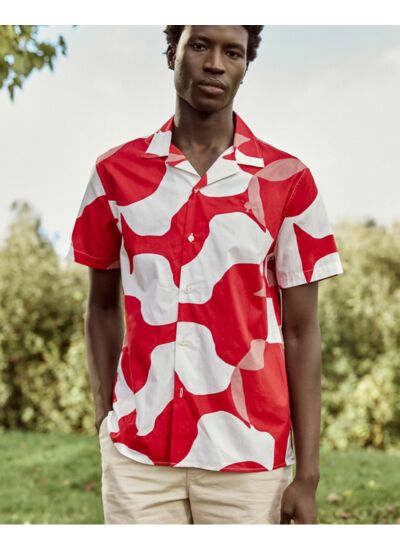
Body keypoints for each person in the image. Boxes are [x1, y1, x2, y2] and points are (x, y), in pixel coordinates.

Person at [66, 25, 344, 524]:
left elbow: (302, 332)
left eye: (232, 52)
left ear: (244, 67)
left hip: (250, 459)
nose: (215, 63)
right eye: (199, 45)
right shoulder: (114, 173)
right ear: (171, 53)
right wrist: (105, 419)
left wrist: (308, 475)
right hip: (138, 460)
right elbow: (101, 306)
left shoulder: (288, 180)